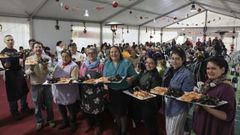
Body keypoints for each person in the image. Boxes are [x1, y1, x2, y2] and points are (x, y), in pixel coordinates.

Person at [192, 57, 236, 135]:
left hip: (215, 129)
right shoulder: (208, 83)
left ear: (222, 70)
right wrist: (198, 94)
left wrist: (206, 108)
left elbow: (228, 116)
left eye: (213, 68)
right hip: (204, 125)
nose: (209, 71)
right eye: (208, 68)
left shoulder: (226, 88)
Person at [103, 46, 138, 135]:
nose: (113, 54)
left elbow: (135, 75)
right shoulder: (107, 63)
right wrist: (105, 81)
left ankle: (123, 131)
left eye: (115, 52)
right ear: (109, 54)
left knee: (122, 112)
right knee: (115, 111)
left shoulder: (126, 63)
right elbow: (105, 77)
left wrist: (131, 78)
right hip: (112, 90)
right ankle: (118, 128)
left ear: (120, 53)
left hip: (123, 91)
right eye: (111, 52)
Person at [162, 48, 195, 135]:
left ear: (183, 59)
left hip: (178, 108)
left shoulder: (187, 74)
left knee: (174, 133)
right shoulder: (168, 70)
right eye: (172, 58)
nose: (174, 61)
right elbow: (164, 87)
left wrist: (171, 93)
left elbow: (187, 96)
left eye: (177, 59)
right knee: (169, 132)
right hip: (168, 105)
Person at [25, 42, 55, 131]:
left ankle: (51, 120)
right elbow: (26, 73)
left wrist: (46, 68)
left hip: (46, 84)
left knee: (49, 104)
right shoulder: (29, 59)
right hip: (35, 84)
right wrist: (31, 68)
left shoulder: (47, 58)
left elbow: (51, 71)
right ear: (33, 49)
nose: (38, 48)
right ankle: (39, 121)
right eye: (36, 47)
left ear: (42, 48)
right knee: (37, 105)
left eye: (40, 47)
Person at [0, 35, 30, 120]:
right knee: (12, 94)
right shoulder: (3, 53)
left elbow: (20, 62)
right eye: (8, 40)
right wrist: (8, 58)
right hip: (10, 74)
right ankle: (14, 111)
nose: (10, 41)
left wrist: (24, 56)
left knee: (24, 90)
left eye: (11, 40)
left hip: (19, 72)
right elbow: (6, 66)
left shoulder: (15, 50)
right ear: (5, 42)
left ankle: (24, 107)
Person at [51, 50, 79, 132]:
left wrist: (64, 80)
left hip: (68, 91)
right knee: (61, 108)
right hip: (58, 90)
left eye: (66, 56)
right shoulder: (59, 63)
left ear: (70, 57)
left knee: (71, 109)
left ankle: (73, 124)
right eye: (63, 56)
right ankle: (65, 121)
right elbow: (53, 74)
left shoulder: (74, 66)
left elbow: (74, 78)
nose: (64, 58)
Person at [79, 47, 104, 135]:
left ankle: (98, 126)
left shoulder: (100, 64)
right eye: (89, 53)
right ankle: (90, 124)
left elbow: (103, 76)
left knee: (97, 108)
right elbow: (81, 75)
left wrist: (97, 80)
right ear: (87, 54)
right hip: (86, 90)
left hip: (96, 90)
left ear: (96, 54)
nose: (91, 55)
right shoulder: (84, 64)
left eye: (93, 53)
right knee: (87, 107)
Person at [134, 57, 162, 135]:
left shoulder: (156, 76)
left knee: (151, 124)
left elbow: (155, 93)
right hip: (142, 101)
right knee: (147, 122)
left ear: (155, 65)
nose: (148, 65)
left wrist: (142, 92)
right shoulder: (144, 72)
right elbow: (139, 83)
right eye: (146, 62)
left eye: (151, 63)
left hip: (150, 104)